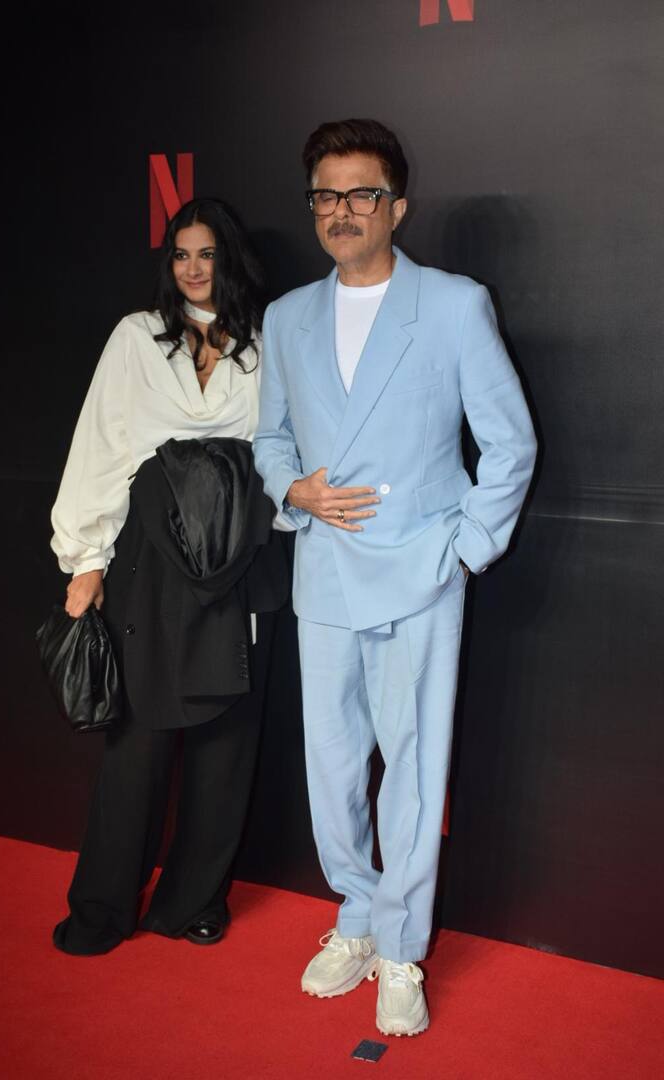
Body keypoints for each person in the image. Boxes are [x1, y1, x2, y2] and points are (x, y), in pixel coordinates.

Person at [253, 119, 537, 1036]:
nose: (342, 212)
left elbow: (509, 441)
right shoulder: (289, 315)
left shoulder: (453, 305)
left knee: (414, 768)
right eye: (326, 196)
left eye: (362, 194)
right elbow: (268, 440)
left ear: (397, 205)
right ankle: (357, 917)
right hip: (324, 572)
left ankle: (403, 947)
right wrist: (289, 487)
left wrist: (465, 547)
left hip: (421, 571)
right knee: (332, 768)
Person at [50, 197, 288, 956]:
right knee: (138, 742)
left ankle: (196, 902)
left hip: (242, 561)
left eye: (206, 253)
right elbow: (102, 443)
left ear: (229, 259)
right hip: (152, 562)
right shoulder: (134, 338)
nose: (192, 268)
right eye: (181, 254)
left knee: (226, 744)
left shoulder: (266, 340)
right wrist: (84, 558)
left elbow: (285, 443)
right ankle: (102, 907)